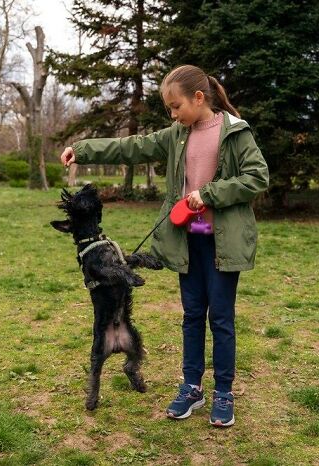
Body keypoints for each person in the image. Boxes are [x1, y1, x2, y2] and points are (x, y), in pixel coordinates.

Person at [59, 64, 269, 427]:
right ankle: (191, 387)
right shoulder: (177, 135)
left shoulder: (236, 133)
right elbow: (132, 147)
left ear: (198, 98)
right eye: (169, 109)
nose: (172, 115)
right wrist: (82, 149)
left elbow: (256, 176)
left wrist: (208, 194)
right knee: (191, 317)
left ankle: (223, 392)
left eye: (176, 107)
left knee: (220, 319)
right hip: (188, 244)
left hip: (224, 244)